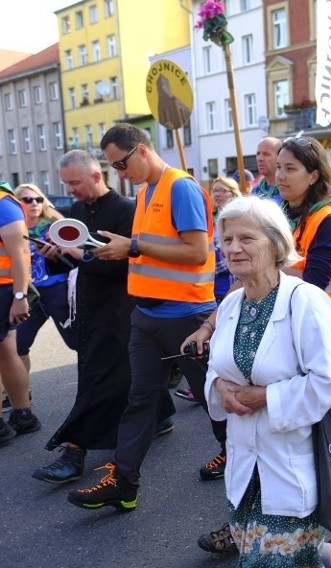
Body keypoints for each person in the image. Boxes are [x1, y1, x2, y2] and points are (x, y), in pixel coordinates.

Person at [67, 123, 225, 511]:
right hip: (147, 315)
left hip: (187, 316)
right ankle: (124, 482)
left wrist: (132, 245)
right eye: (112, 168)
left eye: (121, 164)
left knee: (212, 398)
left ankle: (241, 458)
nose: (119, 174)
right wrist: (118, 250)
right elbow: (150, 250)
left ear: (141, 150)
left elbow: (195, 252)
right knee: (139, 400)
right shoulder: (144, 192)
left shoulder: (181, 186)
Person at [204, 196, 331, 568]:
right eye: (227, 239)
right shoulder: (231, 304)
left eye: (247, 238)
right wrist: (219, 388)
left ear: (276, 244)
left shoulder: (305, 301)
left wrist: (267, 397)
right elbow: (217, 367)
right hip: (244, 476)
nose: (234, 248)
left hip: (292, 471)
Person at [32, 150, 175, 484]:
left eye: (75, 182)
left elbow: (130, 263)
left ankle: (74, 449)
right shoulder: (79, 210)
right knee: (118, 375)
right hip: (89, 305)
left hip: (120, 308)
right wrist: (54, 255)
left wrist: (81, 255)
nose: (69, 190)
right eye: (65, 183)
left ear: (96, 176)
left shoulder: (127, 210)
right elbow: (75, 263)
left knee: (98, 380)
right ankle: (162, 414)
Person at [277, 136, 331, 335]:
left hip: (325, 334)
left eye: (290, 168)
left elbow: (314, 282)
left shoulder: (328, 221)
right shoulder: (280, 215)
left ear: (313, 176)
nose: (280, 175)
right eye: (279, 167)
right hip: (293, 327)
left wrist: (267, 267)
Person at [175, 176, 243, 405]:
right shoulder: (211, 220)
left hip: (233, 288)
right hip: (211, 292)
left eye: (224, 190)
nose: (218, 194)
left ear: (234, 194)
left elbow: (225, 260)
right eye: (214, 190)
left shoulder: (240, 218)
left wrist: (204, 263)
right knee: (216, 340)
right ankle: (209, 385)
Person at [12, 184, 78, 367]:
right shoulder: (13, 229)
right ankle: (22, 393)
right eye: (28, 200)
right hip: (30, 293)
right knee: (19, 345)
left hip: (57, 290)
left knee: (77, 342)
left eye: (38, 199)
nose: (35, 203)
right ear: (18, 203)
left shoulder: (55, 227)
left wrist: (56, 252)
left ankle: (97, 384)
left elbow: (74, 256)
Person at [0, 180, 39, 446]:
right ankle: (23, 415)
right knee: (6, 350)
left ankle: (17, 418)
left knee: (6, 350)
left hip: (4, 289)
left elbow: (21, 251)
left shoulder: (4, 204)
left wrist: (20, 296)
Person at [251, 137, 284, 205]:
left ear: (280, 157)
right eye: (258, 154)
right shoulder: (255, 190)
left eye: (266, 154)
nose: (260, 158)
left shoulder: (288, 188)